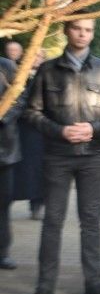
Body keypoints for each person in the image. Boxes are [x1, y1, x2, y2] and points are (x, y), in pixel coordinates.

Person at [24, 18, 100, 294]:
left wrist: (94, 129)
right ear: (67, 30)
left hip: (93, 156)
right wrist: (59, 131)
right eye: (78, 28)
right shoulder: (47, 70)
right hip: (56, 155)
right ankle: (45, 286)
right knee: (52, 220)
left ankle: (94, 282)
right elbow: (31, 112)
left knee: (91, 221)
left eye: (89, 29)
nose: (83, 34)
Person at [13, 48, 46, 221]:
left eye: (40, 56)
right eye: (34, 55)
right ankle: (7, 200)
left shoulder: (48, 74)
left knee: (38, 170)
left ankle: (37, 204)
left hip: (39, 131)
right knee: (17, 168)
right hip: (20, 129)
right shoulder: (17, 75)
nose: (37, 59)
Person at [0, 56, 27, 269]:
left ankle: (2, 251)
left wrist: (3, 117)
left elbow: (21, 96)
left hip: (4, 148)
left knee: (2, 203)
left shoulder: (6, 66)